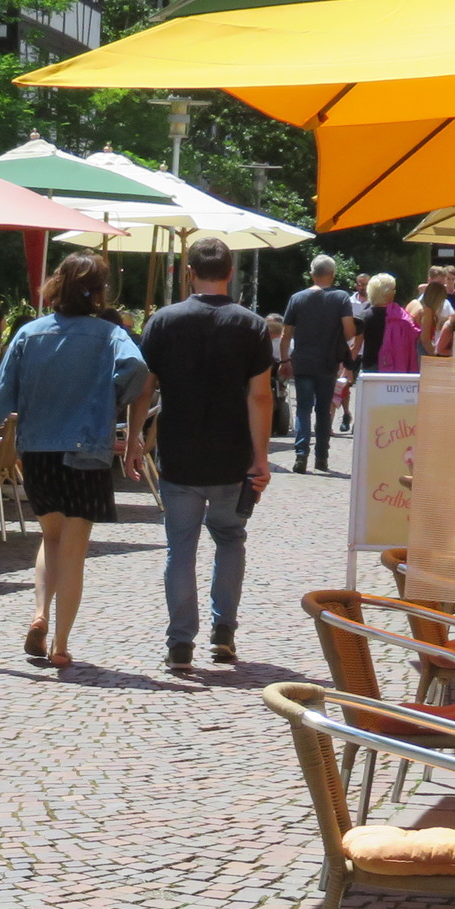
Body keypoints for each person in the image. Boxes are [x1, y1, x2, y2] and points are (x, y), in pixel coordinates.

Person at [0, 252, 146, 670]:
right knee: (74, 551)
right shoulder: (109, 334)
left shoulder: (30, 333)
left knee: (51, 537)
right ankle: (60, 645)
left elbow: (0, 393)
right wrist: (110, 397)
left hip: (38, 451)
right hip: (86, 451)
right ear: (99, 291)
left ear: (58, 284)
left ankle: (39, 613)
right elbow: (137, 366)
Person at [135, 234, 273, 672]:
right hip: (232, 456)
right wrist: (261, 457)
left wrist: (136, 436)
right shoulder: (252, 326)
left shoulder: (163, 322)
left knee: (180, 548)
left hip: (179, 453)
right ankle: (224, 631)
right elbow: (260, 397)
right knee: (230, 539)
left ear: (189, 273)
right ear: (230, 273)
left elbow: (144, 386)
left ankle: (180, 643)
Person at [282, 255, 356, 475]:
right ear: (332, 275)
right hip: (328, 362)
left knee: (303, 408)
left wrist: (285, 360)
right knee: (323, 410)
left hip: (303, 362)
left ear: (312, 274)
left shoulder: (297, 298)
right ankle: (322, 457)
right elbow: (349, 330)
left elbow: (286, 334)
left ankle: (301, 454)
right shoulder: (341, 298)